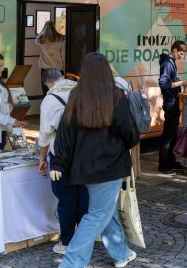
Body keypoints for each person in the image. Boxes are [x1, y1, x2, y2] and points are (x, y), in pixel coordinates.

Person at [50, 53, 139, 268]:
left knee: (103, 209)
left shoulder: (76, 96)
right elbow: (129, 132)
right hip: (109, 167)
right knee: (98, 213)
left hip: (83, 167)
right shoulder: (116, 96)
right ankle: (71, 263)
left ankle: (121, 254)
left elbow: (64, 132)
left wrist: (58, 162)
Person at [37, 69, 87, 256]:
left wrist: (42, 158)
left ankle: (67, 241)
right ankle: (85, 237)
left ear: (47, 84)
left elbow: (44, 135)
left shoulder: (50, 99)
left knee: (66, 199)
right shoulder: (81, 89)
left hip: (61, 156)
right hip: (84, 152)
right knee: (83, 195)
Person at [158, 40, 187, 174]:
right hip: (170, 102)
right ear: (174, 50)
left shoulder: (170, 62)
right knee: (168, 135)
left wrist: (180, 82)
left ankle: (171, 161)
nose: (182, 56)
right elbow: (163, 84)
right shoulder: (167, 63)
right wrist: (180, 83)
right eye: (181, 53)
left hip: (173, 101)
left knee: (172, 133)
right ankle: (164, 164)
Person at [36, 20, 66, 95]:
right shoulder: (61, 39)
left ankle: (46, 105)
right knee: (59, 93)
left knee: (46, 93)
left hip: (45, 70)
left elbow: (37, 41)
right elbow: (63, 56)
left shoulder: (41, 40)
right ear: (54, 27)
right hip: (58, 70)